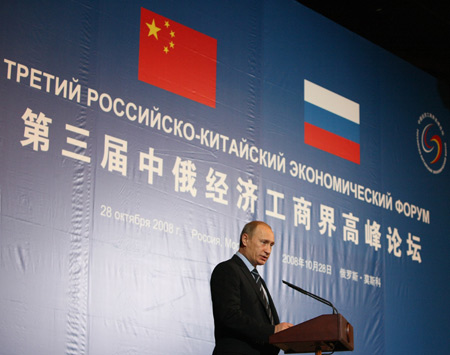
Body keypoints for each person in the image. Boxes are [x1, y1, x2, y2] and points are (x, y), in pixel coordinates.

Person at [210, 221, 293, 355]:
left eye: (271, 245)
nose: (268, 250)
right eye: (264, 242)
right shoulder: (227, 269)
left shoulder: (259, 281)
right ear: (245, 239)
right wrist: (273, 331)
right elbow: (230, 316)